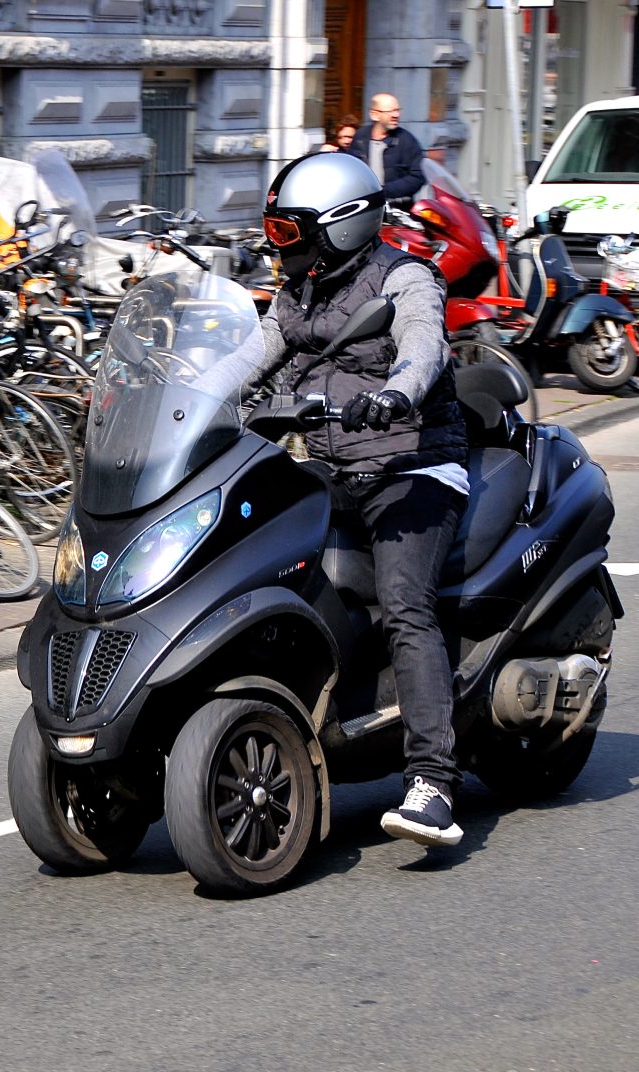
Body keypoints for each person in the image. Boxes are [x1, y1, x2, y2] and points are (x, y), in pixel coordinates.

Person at [247, 152, 469, 847]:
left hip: (415, 469)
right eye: (276, 233)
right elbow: (245, 361)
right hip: (335, 470)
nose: (281, 247)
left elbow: (423, 346)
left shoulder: (405, 278)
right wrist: (187, 405)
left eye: (293, 233)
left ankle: (432, 780)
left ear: (341, 226)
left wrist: (399, 391)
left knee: (407, 605)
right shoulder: (301, 293)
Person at [346, 93, 425, 205]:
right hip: (365, 209)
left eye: (397, 110)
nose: (396, 115)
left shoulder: (406, 140)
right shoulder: (360, 138)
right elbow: (350, 171)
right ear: (374, 115)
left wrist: (384, 191)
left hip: (397, 210)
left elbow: (418, 176)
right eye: (390, 111)